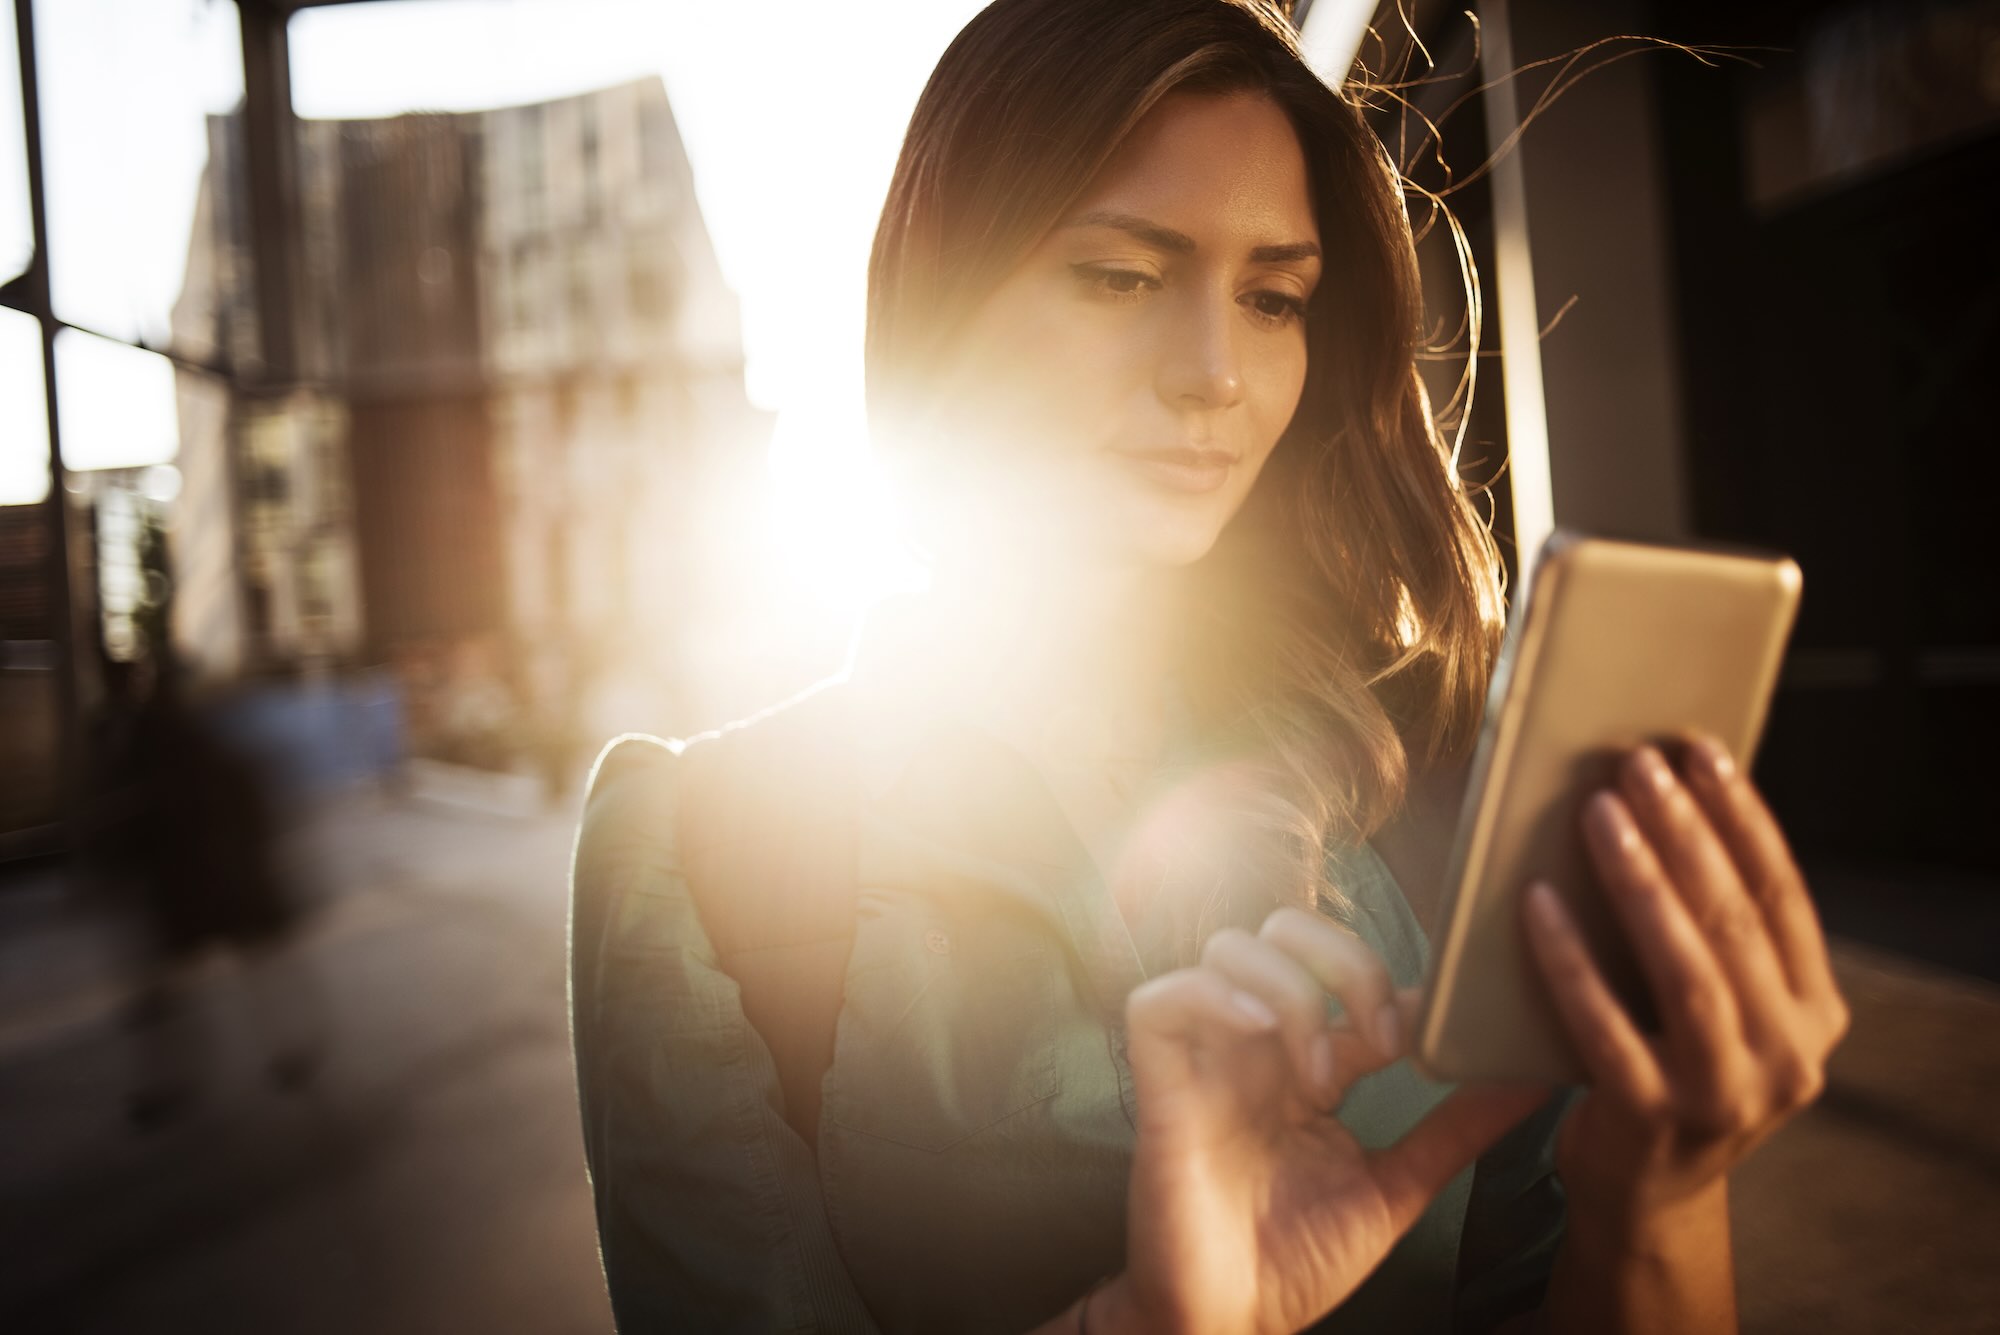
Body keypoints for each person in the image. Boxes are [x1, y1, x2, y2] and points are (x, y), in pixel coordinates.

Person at [569, 2, 1849, 1332]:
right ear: (944, 299)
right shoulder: (701, 851)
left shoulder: (1431, 784)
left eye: (1273, 298)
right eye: (1121, 276)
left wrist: (1661, 1198)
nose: (1214, 374)